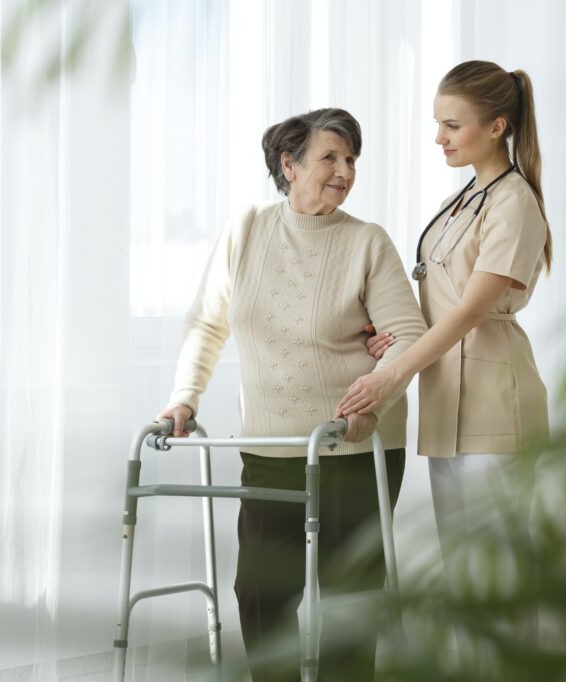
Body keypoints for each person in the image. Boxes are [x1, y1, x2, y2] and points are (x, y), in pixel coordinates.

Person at [157, 108, 426, 681]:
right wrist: (185, 398)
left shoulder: (367, 242)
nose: (345, 170)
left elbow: (410, 337)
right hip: (271, 448)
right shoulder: (248, 229)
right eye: (330, 157)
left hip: (353, 449)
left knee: (348, 600)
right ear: (290, 163)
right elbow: (208, 324)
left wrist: (369, 405)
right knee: (259, 595)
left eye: (351, 159)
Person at [336, 60, 551, 665]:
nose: (440, 138)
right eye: (438, 124)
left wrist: (392, 374)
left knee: (499, 576)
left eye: (452, 125)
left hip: (494, 400)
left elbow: (469, 315)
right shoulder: (464, 200)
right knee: (464, 573)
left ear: (497, 126)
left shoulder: (515, 202)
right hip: (446, 399)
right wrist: (395, 338)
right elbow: (440, 300)